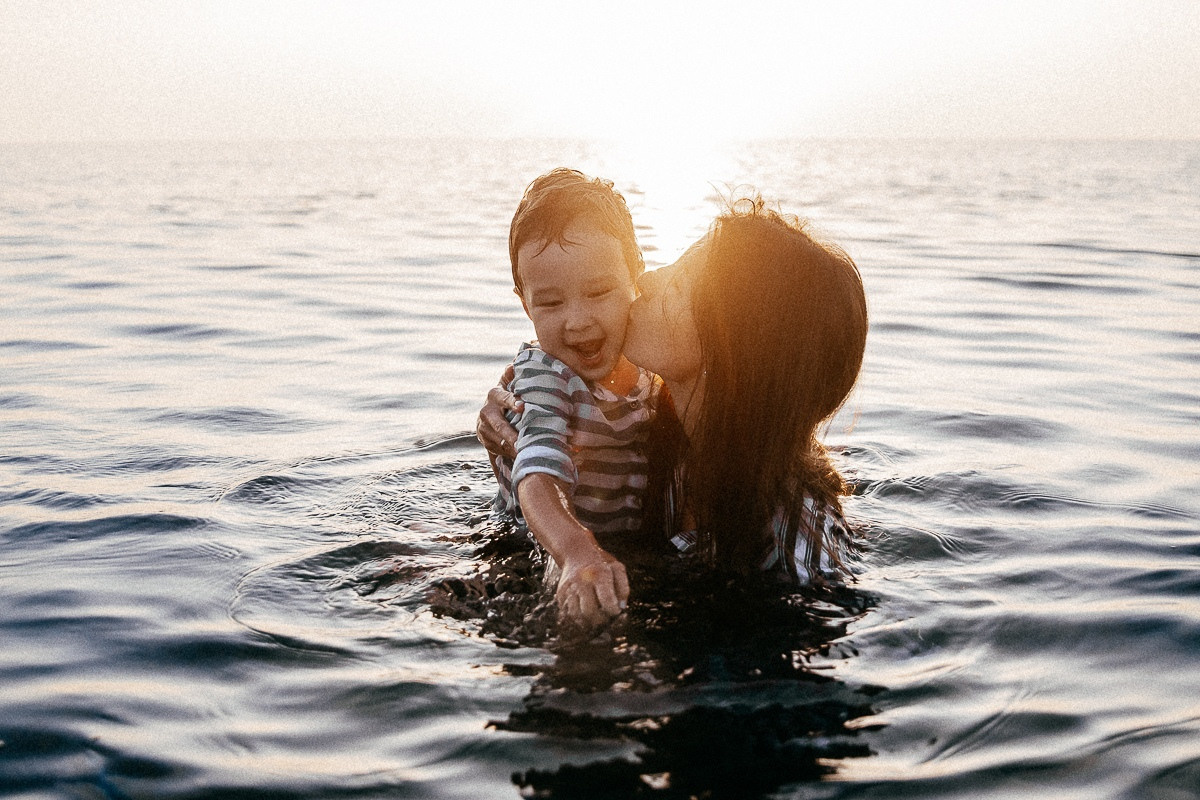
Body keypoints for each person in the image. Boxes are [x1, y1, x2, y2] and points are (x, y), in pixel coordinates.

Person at [480, 194, 868, 630]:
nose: (648, 279)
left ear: (728, 343)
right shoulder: (670, 440)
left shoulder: (793, 531)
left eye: (681, 280)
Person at [490, 168, 664, 629]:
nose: (577, 320)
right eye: (550, 303)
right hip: (541, 546)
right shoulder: (544, 376)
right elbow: (539, 469)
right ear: (525, 304)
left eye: (599, 292)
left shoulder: (655, 366)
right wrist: (574, 548)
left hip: (615, 548)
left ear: (635, 278)